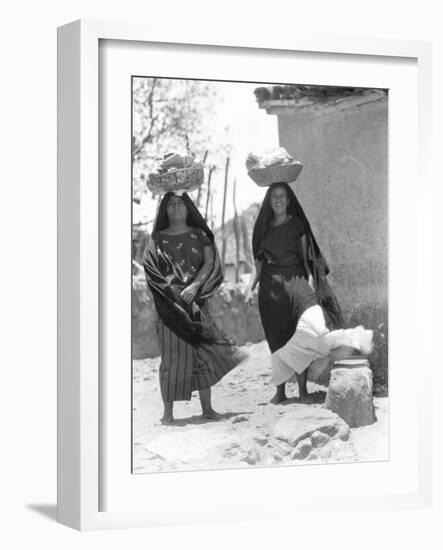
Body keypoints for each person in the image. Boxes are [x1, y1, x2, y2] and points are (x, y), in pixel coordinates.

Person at [244, 182, 372, 403]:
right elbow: (258, 264)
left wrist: (312, 281)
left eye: (283, 196)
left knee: (308, 330)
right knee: (277, 338)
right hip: (271, 288)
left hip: (297, 280)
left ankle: (304, 390)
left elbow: (306, 258)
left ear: (289, 199)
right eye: (274, 196)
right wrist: (250, 288)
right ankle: (281, 391)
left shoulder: (297, 225)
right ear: (269, 200)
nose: (279, 200)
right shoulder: (263, 228)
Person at [143, 191, 245, 424]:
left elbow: (209, 263)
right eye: (171, 204)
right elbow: (151, 269)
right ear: (165, 209)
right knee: (171, 357)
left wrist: (195, 288)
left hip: (195, 302)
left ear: (189, 207)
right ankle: (168, 414)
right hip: (169, 306)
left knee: (203, 354)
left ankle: (207, 409)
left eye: (180, 203)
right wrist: (172, 293)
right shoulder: (156, 239)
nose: (176, 208)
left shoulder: (200, 234)